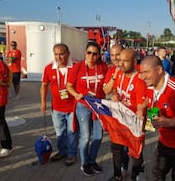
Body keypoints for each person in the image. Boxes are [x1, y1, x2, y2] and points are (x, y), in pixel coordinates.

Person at [66, 42, 108, 176]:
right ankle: (84, 163)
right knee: (85, 136)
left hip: (98, 106)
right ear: (85, 53)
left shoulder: (103, 67)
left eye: (95, 54)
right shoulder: (77, 67)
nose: (91, 56)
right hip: (83, 106)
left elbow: (108, 85)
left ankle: (92, 160)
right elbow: (69, 86)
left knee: (98, 135)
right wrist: (76, 95)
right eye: (89, 52)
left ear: (99, 55)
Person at [107, 48, 147, 181]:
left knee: (135, 151)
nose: (121, 64)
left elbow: (142, 105)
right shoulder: (119, 74)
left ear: (134, 61)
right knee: (116, 148)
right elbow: (113, 89)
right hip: (119, 120)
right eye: (120, 61)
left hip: (134, 122)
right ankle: (117, 174)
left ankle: (136, 175)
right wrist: (114, 95)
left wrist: (141, 114)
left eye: (125, 61)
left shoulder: (140, 80)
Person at [40, 43, 78, 166]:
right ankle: (62, 152)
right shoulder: (49, 68)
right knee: (60, 132)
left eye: (61, 54)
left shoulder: (76, 66)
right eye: (56, 54)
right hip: (56, 107)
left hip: (73, 107)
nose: (59, 57)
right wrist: (43, 102)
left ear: (68, 54)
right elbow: (44, 85)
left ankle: (71, 155)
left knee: (72, 132)